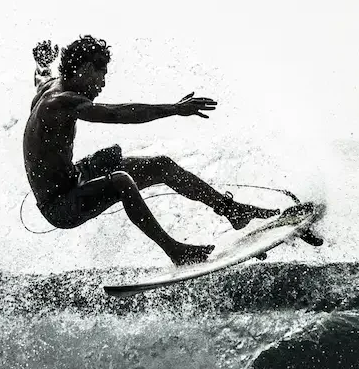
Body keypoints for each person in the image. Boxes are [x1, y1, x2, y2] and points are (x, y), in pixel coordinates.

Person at [23, 35, 276, 265]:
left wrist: (41, 63)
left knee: (159, 165)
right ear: (87, 69)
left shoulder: (50, 86)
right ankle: (175, 251)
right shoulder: (60, 103)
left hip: (74, 177)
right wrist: (175, 109)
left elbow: (40, 75)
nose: (102, 84)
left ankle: (231, 210)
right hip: (61, 205)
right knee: (121, 181)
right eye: (102, 75)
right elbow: (118, 114)